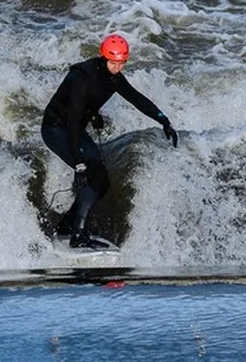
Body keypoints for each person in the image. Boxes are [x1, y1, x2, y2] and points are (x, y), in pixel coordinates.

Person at [40, 33, 177, 249]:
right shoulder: (82, 78)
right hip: (56, 130)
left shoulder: (113, 77)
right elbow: (73, 121)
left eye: (121, 63)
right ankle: (78, 236)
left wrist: (163, 119)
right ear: (104, 58)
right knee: (95, 175)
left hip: (74, 129)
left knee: (102, 182)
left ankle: (67, 226)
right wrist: (78, 161)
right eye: (114, 63)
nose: (118, 68)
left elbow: (136, 98)